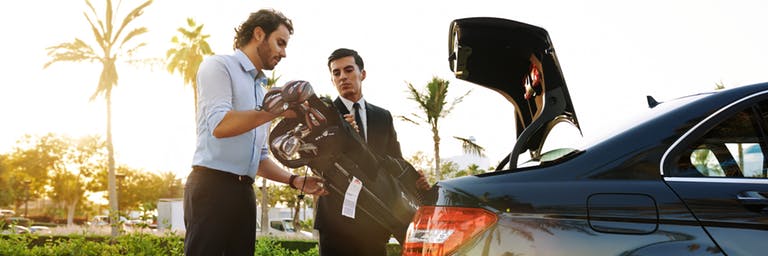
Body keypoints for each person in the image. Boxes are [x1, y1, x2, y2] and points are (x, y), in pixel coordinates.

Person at [183, 9, 326, 256]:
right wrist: (277, 110)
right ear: (259, 34)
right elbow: (220, 125)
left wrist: (294, 180)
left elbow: (258, 159)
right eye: (280, 43)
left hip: (244, 193)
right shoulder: (218, 66)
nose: (284, 52)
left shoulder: (262, 91)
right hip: (211, 187)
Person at [314, 48, 431, 256]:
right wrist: (340, 135)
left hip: (375, 221)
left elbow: (395, 162)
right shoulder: (324, 115)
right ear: (332, 79)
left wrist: (416, 180)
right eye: (336, 73)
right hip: (335, 222)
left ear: (362, 74)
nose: (342, 77)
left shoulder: (382, 117)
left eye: (348, 70)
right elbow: (317, 162)